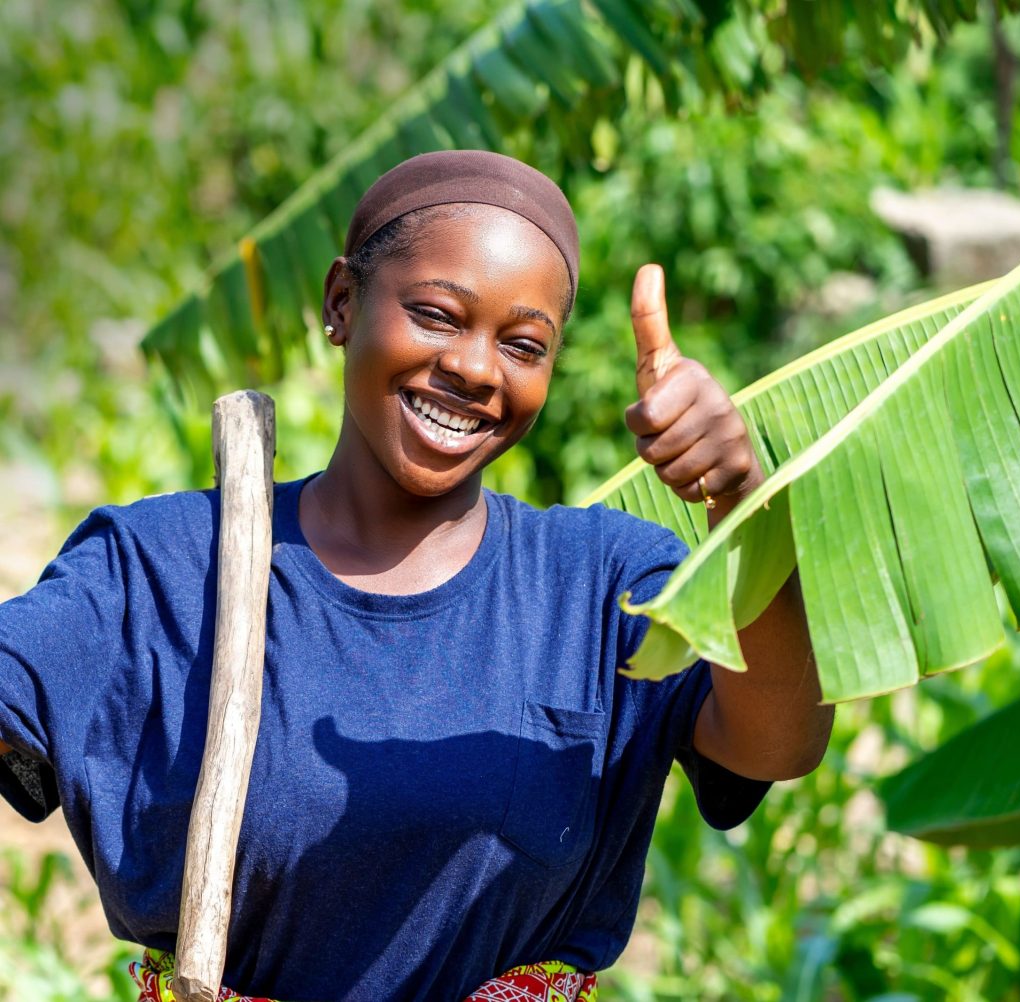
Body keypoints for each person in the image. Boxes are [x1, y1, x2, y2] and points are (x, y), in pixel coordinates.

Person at [0, 150, 833, 1001]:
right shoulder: (159, 569)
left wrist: (740, 502)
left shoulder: (600, 585)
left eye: (523, 344)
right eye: (437, 315)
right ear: (341, 303)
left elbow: (782, 741)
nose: (477, 368)